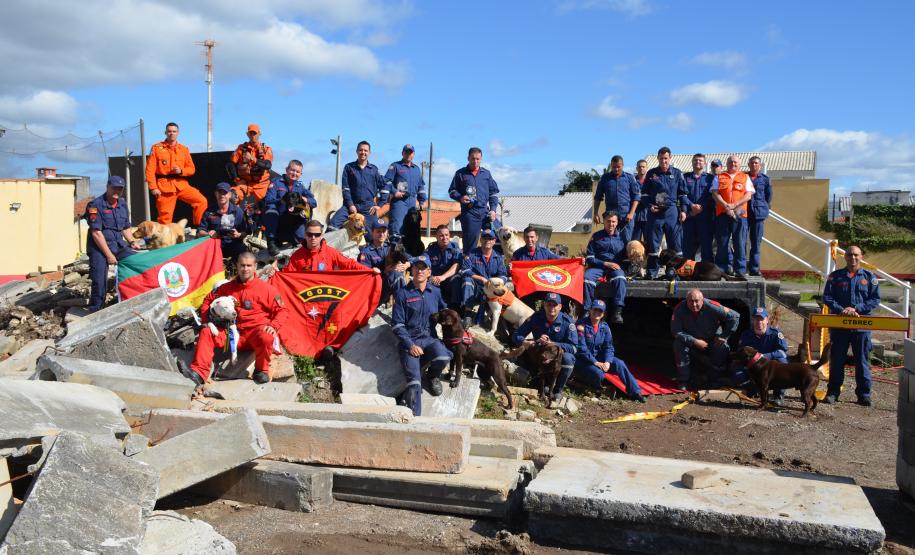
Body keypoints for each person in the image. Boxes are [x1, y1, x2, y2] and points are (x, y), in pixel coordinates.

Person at [181, 251, 287, 386]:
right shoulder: (226, 288)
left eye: (249, 265)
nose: (245, 269)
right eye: (242, 265)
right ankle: (198, 374)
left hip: (255, 336)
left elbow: (282, 310)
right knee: (206, 332)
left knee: (267, 335)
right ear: (237, 265)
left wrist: (273, 326)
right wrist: (206, 320)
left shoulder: (267, 290)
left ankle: (261, 371)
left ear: (255, 266)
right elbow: (208, 300)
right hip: (230, 334)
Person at [391, 254, 453, 416]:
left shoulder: (435, 293)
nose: (419, 271)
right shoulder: (403, 294)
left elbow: (445, 313)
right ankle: (415, 420)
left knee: (444, 357)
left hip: (430, 339)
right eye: (416, 267)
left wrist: (459, 329)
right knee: (414, 384)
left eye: (423, 268)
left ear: (429, 272)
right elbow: (397, 324)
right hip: (409, 342)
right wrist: (410, 345)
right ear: (412, 269)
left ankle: (432, 376)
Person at [822, 245, 881, 406]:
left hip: (861, 326)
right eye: (849, 255)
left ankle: (864, 395)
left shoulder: (869, 277)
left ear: (861, 257)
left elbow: (875, 299)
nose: (852, 258)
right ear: (845, 257)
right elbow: (827, 297)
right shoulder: (835, 277)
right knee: (837, 360)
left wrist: (856, 309)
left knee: (862, 361)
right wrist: (843, 310)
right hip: (839, 326)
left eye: (856, 255)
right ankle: (833, 392)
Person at [85, 176, 141, 312]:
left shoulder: (122, 204)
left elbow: (125, 227)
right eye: (114, 187)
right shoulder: (95, 206)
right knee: (99, 280)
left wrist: (132, 241)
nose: (117, 191)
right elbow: (96, 233)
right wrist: (109, 255)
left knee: (137, 263)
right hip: (99, 248)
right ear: (107, 187)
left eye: (120, 189)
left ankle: (134, 300)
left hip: (118, 245)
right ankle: (96, 310)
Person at [512, 292, 578, 402]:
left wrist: (554, 344)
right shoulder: (536, 317)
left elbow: (574, 347)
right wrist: (525, 342)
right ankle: (538, 383)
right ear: (544, 305)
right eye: (549, 304)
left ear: (560, 307)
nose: (551, 308)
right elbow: (516, 335)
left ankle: (558, 390)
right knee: (526, 352)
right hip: (539, 353)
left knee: (568, 358)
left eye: (554, 305)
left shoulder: (567, 322)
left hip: (557, 355)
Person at [574, 300, 645, 402]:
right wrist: (596, 362)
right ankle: (599, 388)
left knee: (620, 363)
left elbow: (609, 347)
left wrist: (607, 361)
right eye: (595, 310)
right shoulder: (580, 325)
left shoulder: (604, 327)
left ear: (603, 314)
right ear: (590, 310)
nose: (597, 313)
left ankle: (635, 392)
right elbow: (581, 348)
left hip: (599, 358)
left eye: (600, 311)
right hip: (583, 361)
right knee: (599, 374)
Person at [670, 289, 740, 389]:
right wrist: (694, 341)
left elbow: (735, 317)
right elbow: (676, 331)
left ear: (702, 300)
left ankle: (714, 379)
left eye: (696, 301)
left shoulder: (712, 306)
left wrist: (724, 336)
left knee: (722, 348)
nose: (694, 304)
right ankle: (683, 380)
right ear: (686, 300)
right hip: (691, 340)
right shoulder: (679, 309)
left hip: (712, 339)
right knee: (678, 344)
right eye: (691, 301)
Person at [144, 122, 207, 225]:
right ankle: (165, 240)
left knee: (201, 201)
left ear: (178, 133)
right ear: (165, 132)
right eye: (169, 131)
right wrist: (153, 188)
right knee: (165, 218)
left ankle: (200, 228)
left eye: (174, 131)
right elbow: (149, 170)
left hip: (181, 185)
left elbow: (191, 169)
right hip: (164, 187)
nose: (171, 133)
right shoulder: (156, 148)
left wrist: (181, 171)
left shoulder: (183, 149)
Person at [644, 146, 689, 278]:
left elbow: (683, 194)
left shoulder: (677, 173)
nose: (664, 161)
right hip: (655, 213)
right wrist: (649, 206)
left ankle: (675, 272)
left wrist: (684, 211)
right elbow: (644, 194)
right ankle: (652, 272)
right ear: (658, 158)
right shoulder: (651, 174)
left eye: (666, 158)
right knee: (653, 243)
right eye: (661, 158)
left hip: (671, 212)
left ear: (670, 158)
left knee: (675, 244)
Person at [264, 220, 370, 275]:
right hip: (305, 299)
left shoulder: (331, 253)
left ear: (322, 235)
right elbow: (288, 276)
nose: (313, 238)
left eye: (317, 235)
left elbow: (349, 264)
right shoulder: (297, 256)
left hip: (324, 298)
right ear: (305, 235)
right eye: (310, 234)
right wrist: (276, 272)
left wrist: (369, 270)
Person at [449, 147, 500, 254]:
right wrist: (460, 197)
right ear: (468, 158)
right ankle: (467, 268)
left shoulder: (486, 174)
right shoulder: (460, 173)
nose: (475, 161)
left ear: (481, 159)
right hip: (469, 213)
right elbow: (452, 191)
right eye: (473, 158)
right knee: (470, 244)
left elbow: (494, 193)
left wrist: (493, 210)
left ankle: (495, 265)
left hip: (485, 212)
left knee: (498, 236)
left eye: (478, 159)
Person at [328, 141, 388, 233]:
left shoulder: (374, 170)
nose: (363, 152)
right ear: (356, 151)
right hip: (350, 205)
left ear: (369, 153)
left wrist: (379, 205)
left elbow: (385, 186)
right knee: (332, 226)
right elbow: (345, 189)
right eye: (361, 150)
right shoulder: (349, 167)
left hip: (368, 208)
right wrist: (351, 205)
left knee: (371, 234)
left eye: (365, 150)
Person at [712, 155, 754, 279]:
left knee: (740, 243)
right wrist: (726, 206)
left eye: (735, 162)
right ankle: (722, 269)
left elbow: (748, 195)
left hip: (740, 215)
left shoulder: (745, 177)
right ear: (727, 164)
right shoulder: (719, 177)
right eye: (730, 162)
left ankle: (740, 270)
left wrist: (734, 205)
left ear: (739, 165)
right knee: (722, 242)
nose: (733, 164)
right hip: (722, 214)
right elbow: (715, 193)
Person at [262, 160, 317, 254]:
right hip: (278, 218)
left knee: (301, 237)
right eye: (292, 170)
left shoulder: (300, 187)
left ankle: (290, 239)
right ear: (287, 169)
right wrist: (283, 201)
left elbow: (314, 202)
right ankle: (271, 241)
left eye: (297, 172)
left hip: (292, 219)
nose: (294, 173)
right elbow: (268, 201)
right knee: (271, 210)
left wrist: (304, 199)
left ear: (301, 174)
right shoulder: (276, 183)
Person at [738, 307, 790, 405]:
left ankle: (778, 396)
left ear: (767, 320)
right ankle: (754, 390)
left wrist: (765, 355)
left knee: (783, 362)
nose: (759, 322)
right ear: (753, 320)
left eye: (761, 319)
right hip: (752, 367)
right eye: (756, 319)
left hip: (770, 367)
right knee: (737, 374)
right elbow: (741, 352)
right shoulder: (746, 335)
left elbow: (783, 352)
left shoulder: (775, 334)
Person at [583, 212, 627, 324]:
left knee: (621, 278)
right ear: (604, 221)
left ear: (617, 223)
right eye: (608, 221)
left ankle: (617, 312)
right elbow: (590, 258)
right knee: (587, 278)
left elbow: (627, 256)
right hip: (599, 267)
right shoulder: (596, 236)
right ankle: (587, 310)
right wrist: (605, 263)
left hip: (616, 268)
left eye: (613, 221)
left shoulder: (623, 237)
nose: (611, 224)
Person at [460, 228, 508, 325]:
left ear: (494, 241)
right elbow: (464, 270)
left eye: (490, 239)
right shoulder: (472, 254)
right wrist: (481, 278)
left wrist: (496, 283)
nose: (487, 241)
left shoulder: (498, 257)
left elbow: (503, 275)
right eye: (485, 238)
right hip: (476, 287)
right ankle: (468, 314)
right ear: (481, 240)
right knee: (467, 280)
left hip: (491, 290)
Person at [592, 155, 640, 243]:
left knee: (627, 242)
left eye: (618, 167)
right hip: (611, 217)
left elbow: (636, 197)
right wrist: (595, 213)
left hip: (626, 217)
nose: (616, 169)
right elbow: (598, 197)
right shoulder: (605, 178)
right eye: (614, 167)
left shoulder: (630, 178)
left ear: (623, 165)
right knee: (610, 241)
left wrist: (631, 213)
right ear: (611, 165)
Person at [358, 220, 407, 301]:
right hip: (376, 288)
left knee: (397, 274)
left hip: (391, 284)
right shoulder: (366, 253)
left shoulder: (391, 248)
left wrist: (406, 265)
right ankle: (401, 305)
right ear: (372, 233)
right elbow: (363, 275)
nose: (381, 234)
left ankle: (400, 302)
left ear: (387, 233)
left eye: (384, 231)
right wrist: (385, 271)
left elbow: (411, 258)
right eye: (378, 231)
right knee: (396, 275)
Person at [384, 144, 426, 238]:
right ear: (402, 153)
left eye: (410, 152)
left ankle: (408, 251)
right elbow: (386, 181)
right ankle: (394, 249)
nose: (408, 154)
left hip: (412, 203)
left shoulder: (417, 169)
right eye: (406, 152)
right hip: (399, 202)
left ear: (413, 154)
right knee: (397, 229)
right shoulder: (395, 166)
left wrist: (422, 201)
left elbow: (420, 187)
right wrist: (395, 192)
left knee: (410, 230)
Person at [197, 182, 248, 259]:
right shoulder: (209, 211)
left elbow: (245, 233)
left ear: (230, 195)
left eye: (225, 193)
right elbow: (199, 232)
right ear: (215, 194)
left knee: (243, 252)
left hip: (232, 243)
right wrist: (208, 234)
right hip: (214, 244)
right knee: (199, 251)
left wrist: (238, 235)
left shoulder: (238, 211)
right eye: (219, 192)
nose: (222, 195)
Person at [227, 124, 273, 202]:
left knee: (267, 204)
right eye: (250, 133)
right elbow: (230, 164)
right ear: (247, 134)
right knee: (231, 197)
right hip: (245, 183)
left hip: (261, 185)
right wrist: (236, 179)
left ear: (259, 134)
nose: (253, 136)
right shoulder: (241, 148)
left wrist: (252, 159)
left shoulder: (266, 149)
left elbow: (268, 165)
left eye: (254, 133)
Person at [682, 153, 715, 262]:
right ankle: (687, 272)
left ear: (705, 163)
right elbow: (682, 195)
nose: (698, 162)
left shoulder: (711, 179)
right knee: (688, 247)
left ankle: (707, 273)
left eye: (700, 160)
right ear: (692, 162)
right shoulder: (685, 177)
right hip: (690, 217)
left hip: (705, 217)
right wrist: (691, 205)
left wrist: (701, 207)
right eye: (695, 160)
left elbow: (713, 196)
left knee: (706, 246)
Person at [425, 224, 463, 306]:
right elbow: (425, 262)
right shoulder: (431, 249)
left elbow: (456, 265)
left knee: (457, 279)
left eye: (446, 235)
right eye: (441, 235)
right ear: (436, 237)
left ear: (449, 235)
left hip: (449, 279)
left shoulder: (455, 247)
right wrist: (430, 277)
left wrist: (443, 277)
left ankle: (455, 308)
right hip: (435, 279)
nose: (444, 238)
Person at [747, 156, 772, 276]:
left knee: (756, 243)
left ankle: (754, 269)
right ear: (748, 165)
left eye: (756, 163)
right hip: (745, 213)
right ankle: (740, 268)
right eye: (752, 163)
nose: (754, 165)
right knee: (741, 242)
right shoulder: (743, 177)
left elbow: (768, 197)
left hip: (758, 214)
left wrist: (763, 208)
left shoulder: (765, 179)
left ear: (760, 165)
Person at [631, 159, 650, 243]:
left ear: (647, 168)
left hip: (648, 217)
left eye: (643, 167)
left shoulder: (652, 181)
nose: (641, 168)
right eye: (639, 167)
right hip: (635, 217)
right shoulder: (631, 181)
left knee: (649, 243)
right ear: (636, 168)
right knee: (635, 242)